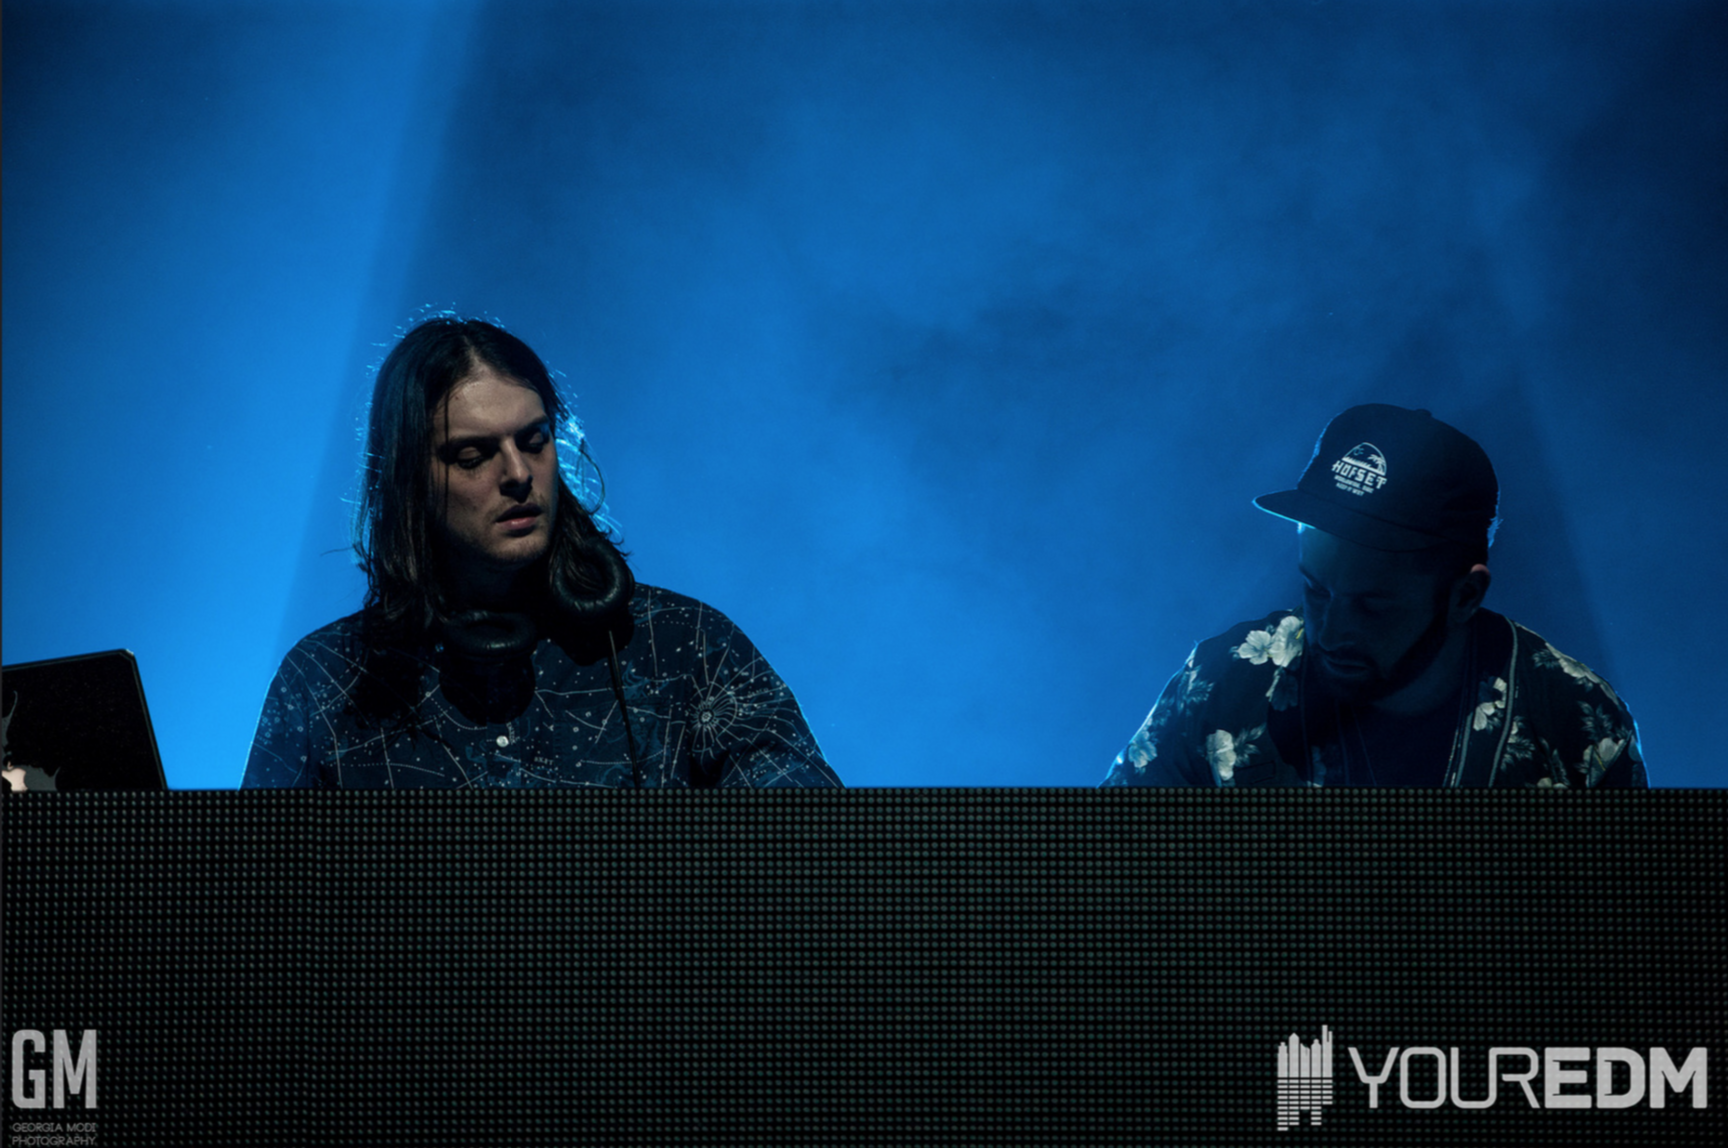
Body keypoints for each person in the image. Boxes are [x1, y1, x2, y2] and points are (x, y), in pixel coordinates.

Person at [243, 317, 840, 789]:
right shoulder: (325, 683)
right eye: (472, 456)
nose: (518, 474)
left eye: (534, 441)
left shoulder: (686, 647)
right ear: (408, 483)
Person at [1101, 403, 1646, 789]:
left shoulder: (1573, 718)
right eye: (1315, 590)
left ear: (1465, 595)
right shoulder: (1224, 681)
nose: (1331, 630)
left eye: (1373, 605)